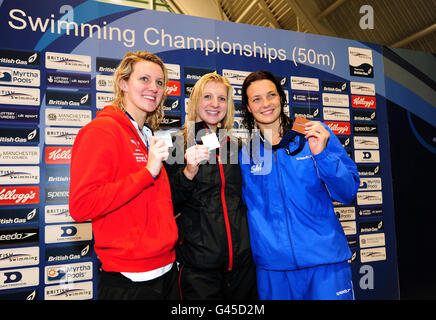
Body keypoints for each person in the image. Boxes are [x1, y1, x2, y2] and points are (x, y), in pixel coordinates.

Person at [238, 70, 360, 300]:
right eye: (256, 99)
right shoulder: (246, 153)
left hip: (325, 263)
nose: (266, 104)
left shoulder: (313, 132)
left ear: (281, 98)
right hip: (274, 271)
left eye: (271, 95)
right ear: (247, 107)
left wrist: (322, 155)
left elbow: (347, 192)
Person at [69, 51, 179, 300]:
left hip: (166, 270)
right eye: (144, 79)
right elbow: (82, 205)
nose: (154, 88)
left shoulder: (149, 136)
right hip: (130, 282)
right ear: (123, 84)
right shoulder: (101, 131)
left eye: (159, 82)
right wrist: (147, 173)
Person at [164, 72, 257, 300]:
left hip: (242, 269)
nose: (215, 104)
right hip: (199, 270)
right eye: (207, 96)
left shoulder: (237, 146)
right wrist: (188, 174)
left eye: (222, 98)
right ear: (196, 101)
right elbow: (167, 205)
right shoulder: (178, 145)